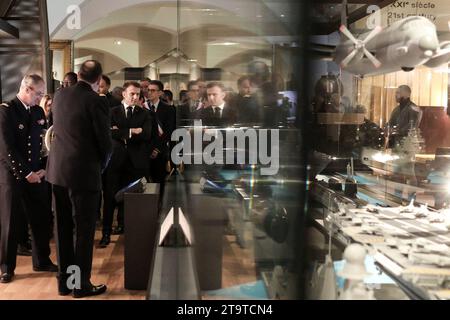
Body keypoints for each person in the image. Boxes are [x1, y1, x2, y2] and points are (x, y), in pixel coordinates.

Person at [46, 60, 112, 298]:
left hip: (57, 172)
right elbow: (105, 143)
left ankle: (64, 283)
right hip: (83, 174)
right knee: (83, 231)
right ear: (98, 79)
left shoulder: (61, 95)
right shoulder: (97, 101)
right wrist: (102, 166)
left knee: (62, 228)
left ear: (79, 74)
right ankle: (80, 285)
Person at [0, 74, 57, 284]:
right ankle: (6, 267)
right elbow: (7, 149)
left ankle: (42, 260)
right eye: (39, 93)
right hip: (13, 176)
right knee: (10, 223)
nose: (41, 98)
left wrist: (42, 170)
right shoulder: (6, 110)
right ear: (26, 88)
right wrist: (26, 173)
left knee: (41, 219)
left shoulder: (38, 111)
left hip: (36, 174)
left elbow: (43, 144)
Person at [100, 81, 152, 245]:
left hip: (136, 163)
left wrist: (119, 131)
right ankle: (106, 234)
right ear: (124, 94)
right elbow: (107, 133)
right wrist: (131, 131)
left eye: (138, 94)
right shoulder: (112, 112)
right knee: (109, 198)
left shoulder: (144, 114)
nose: (135, 97)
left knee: (133, 199)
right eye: (132, 93)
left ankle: (130, 232)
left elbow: (146, 135)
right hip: (115, 162)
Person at [147, 80, 175, 186]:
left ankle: (159, 202)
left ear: (160, 93)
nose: (149, 92)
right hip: (145, 150)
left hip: (160, 150)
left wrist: (156, 149)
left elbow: (168, 131)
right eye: (148, 90)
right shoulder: (142, 108)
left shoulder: (169, 109)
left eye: (153, 90)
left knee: (159, 181)